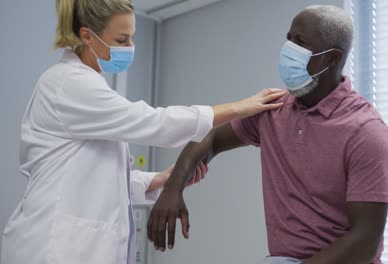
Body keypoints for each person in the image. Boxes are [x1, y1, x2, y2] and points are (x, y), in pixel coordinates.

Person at [0, 0, 287, 263]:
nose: (130, 46)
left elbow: (102, 177)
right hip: (52, 247)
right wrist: (240, 107)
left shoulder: (89, 86)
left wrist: (160, 179)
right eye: (121, 39)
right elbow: (154, 122)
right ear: (87, 36)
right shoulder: (68, 84)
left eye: (132, 36)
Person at [148, 5, 388, 264]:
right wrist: (172, 189)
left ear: (332, 58)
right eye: (289, 38)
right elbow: (210, 137)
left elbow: (365, 240)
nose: (288, 49)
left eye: (300, 42)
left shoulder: (365, 130)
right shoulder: (275, 109)